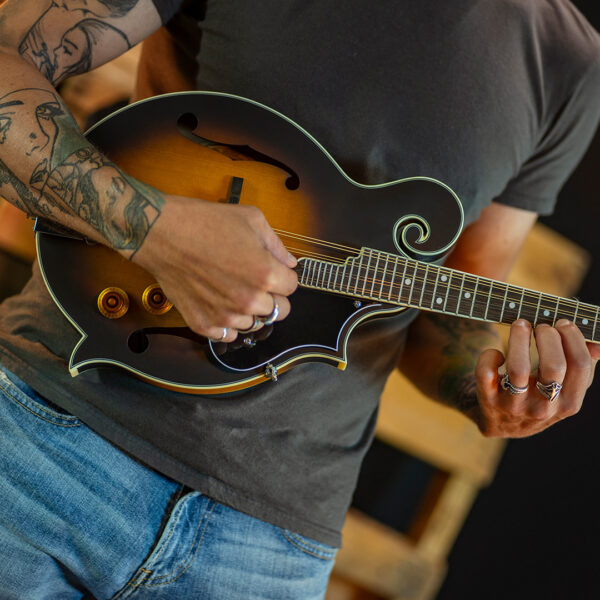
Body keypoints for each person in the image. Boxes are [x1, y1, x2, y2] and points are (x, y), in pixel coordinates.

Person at [0, 1, 599, 598]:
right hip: (48, 439)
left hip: (268, 552)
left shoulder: (572, 65)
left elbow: (443, 317)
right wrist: (154, 230)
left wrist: (494, 392)